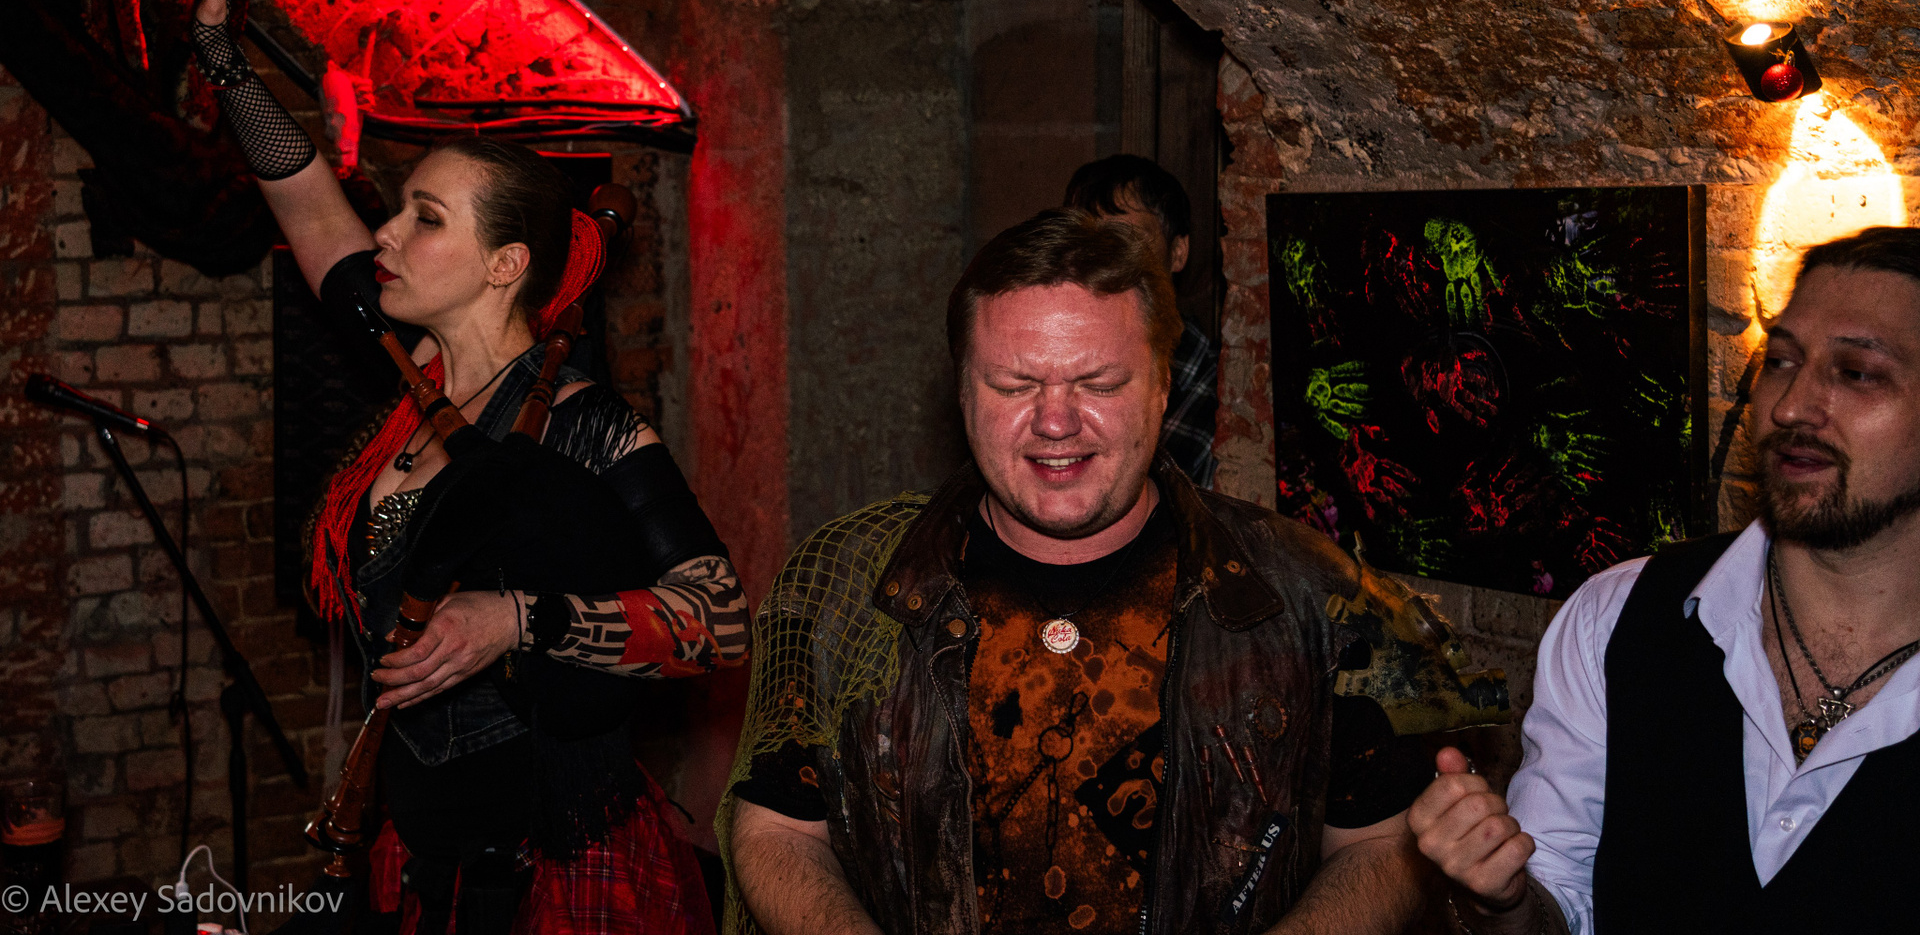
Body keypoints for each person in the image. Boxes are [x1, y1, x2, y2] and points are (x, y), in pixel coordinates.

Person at [167, 0, 746, 935]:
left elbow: (720, 619)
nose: (386, 232)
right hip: (421, 850)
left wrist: (517, 619)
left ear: (504, 264)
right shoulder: (411, 376)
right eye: (399, 210)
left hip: (558, 868)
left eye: (424, 219)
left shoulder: (586, 424)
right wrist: (219, 49)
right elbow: (306, 200)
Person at [721, 210, 1475, 935]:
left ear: (1162, 385)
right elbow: (778, 830)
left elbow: (1382, 845)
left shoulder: (1312, 595)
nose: (1056, 421)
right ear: (960, 391)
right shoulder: (847, 583)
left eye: (1100, 383)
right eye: (1014, 385)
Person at [1409, 225, 1920, 933]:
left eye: (1856, 373)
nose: (1789, 407)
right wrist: (1503, 900)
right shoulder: (1615, 615)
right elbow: (1556, 900)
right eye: (1780, 361)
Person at [1065, 155, 1220, 488]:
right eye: (1086, 242)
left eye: (1126, 241)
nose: (1104, 260)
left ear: (1178, 252)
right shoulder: (1050, 366)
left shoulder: (1220, 396)